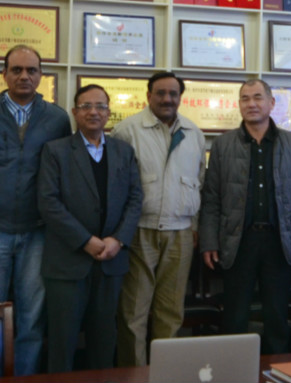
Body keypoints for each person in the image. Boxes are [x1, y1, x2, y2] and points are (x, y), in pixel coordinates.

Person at [0, 45, 71, 375]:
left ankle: (24, 377)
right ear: (4, 74)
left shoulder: (57, 119)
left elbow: (64, 176)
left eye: (32, 70)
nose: (24, 76)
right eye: (17, 70)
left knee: (32, 318)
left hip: (38, 232)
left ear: (41, 75)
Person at [199, 79, 291, 354]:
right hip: (237, 240)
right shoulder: (223, 144)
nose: (251, 104)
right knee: (235, 315)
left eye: (258, 97)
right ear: (239, 104)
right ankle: (235, 368)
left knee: (277, 315)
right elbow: (211, 198)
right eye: (245, 98)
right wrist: (209, 242)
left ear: (271, 103)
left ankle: (278, 368)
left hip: (280, 240)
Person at [38, 84, 143, 372]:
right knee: (62, 341)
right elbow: (48, 203)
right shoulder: (55, 151)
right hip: (68, 261)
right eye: (86, 106)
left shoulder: (123, 151)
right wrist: (86, 240)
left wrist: (118, 240)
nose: (93, 112)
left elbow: (135, 199)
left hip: (111, 260)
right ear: (75, 112)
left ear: (109, 113)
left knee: (104, 340)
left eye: (100, 106)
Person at [112, 72, 206, 367]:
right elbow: (115, 187)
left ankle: (166, 373)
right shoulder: (127, 130)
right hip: (140, 231)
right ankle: (134, 374)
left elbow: (199, 182)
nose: (167, 99)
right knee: (134, 312)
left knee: (171, 312)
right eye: (161, 93)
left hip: (181, 233)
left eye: (173, 94)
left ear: (180, 97)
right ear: (148, 96)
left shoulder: (193, 132)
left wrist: (194, 226)